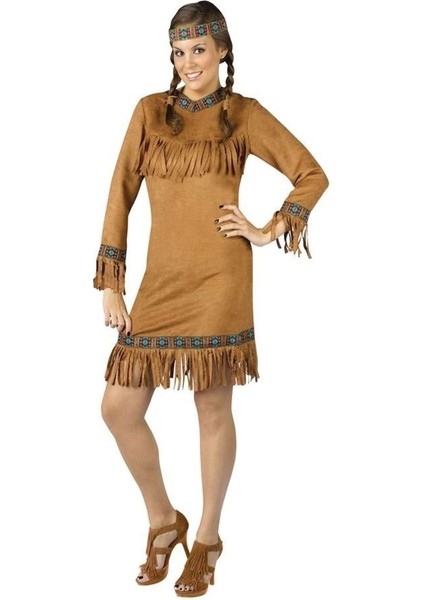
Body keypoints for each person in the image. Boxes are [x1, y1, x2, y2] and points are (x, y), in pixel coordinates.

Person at [93, 1, 329, 596]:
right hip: (160, 284)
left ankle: (207, 538)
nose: (188, 62)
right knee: (118, 409)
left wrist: (267, 229)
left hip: (221, 279)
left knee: (213, 409)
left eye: (198, 49)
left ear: (222, 50)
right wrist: (113, 283)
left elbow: (311, 174)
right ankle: (163, 520)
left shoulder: (242, 114)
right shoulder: (151, 112)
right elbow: (120, 193)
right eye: (179, 52)